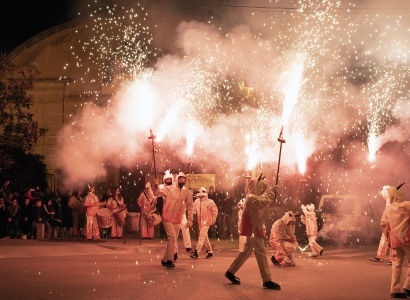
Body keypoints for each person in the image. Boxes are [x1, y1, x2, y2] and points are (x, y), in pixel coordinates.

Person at [225, 173, 281, 290]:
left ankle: (230, 272)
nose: (262, 190)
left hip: (254, 229)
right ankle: (267, 280)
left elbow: (262, 204)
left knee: (245, 252)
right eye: (261, 187)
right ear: (257, 186)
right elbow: (261, 204)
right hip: (253, 230)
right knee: (261, 253)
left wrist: (271, 195)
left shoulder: (253, 197)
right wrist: (272, 194)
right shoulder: (251, 197)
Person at [154, 171, 194, 268]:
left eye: (184, 179)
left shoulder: (186, 192)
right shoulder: (169, 189)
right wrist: (156, 186)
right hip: (167, 217)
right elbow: (158, 193)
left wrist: (190, 219)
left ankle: (164, 260)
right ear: (177, 179)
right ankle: (169, 260)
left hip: (177, 219)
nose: (182, 181)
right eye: (180, 179)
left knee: (173, 240)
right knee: (172, 238)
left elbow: (190, 206)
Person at [379, 184, 410, 299]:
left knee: (396, 264)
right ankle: (408, 286)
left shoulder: (388, 210)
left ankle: (395, 290)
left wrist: (388, 240)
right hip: (408, 239)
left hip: (395, 241)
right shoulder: (407, 205)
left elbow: (383, 225)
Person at [190, 187, 218, 259]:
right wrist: (190, 216)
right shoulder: (197, 201)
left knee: (201, 236)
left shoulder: (210, 202)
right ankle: (210, 251)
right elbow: (192, 209)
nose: (202, 196)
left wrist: (213, 219)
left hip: (207, 221)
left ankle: (197, 252)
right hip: (200, 221)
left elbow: (215, 211)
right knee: (204, 237)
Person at [370, 187, 393, 264]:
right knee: (385, 238)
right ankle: (380, 256)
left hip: (392, 222)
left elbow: (385, 192)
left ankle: (392, 259)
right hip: (388, 221)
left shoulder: (392, 200)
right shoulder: (389, 200)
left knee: (392, 240)